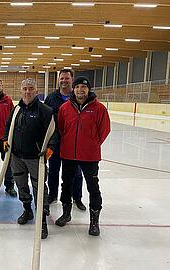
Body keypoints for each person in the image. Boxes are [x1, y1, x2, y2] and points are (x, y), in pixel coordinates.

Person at [55, 76, 110, 236]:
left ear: (89, 89)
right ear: (73, 89)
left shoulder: (99, 108)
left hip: (90, 155)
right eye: (77, 86)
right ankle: (66, 213)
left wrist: (92, 144)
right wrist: (68, 142)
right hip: (68, 154)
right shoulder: (65, 108)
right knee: (66, 184)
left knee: (93, 187)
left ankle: (94, 221)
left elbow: (104, 129)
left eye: (83, 87)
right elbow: (61, 128)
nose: (80, 90)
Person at [4, 78, 58, 240]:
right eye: (25, 89)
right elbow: (8, 127)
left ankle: (42, 221)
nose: (27, 92)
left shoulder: (45, 110)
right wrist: (5, 139)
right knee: (21, 185)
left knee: (39, 188)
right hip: (17, 156)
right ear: (21, 91)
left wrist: (50, 148)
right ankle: (27, 209)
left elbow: (54, 132)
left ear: (36, 91)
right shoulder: (16, 109)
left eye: (31, 89)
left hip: (35, 157)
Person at [44, 69, 86, 211]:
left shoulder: (79, 97)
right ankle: (52, 195)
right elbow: (46, 119)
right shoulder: (51, 98)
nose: (64, 81)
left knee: (76, 172)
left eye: (67, 78)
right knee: (53, 170)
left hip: (73, 143)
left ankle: (77, 197)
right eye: (61, 78)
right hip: (55, 142)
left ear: (72, 80)